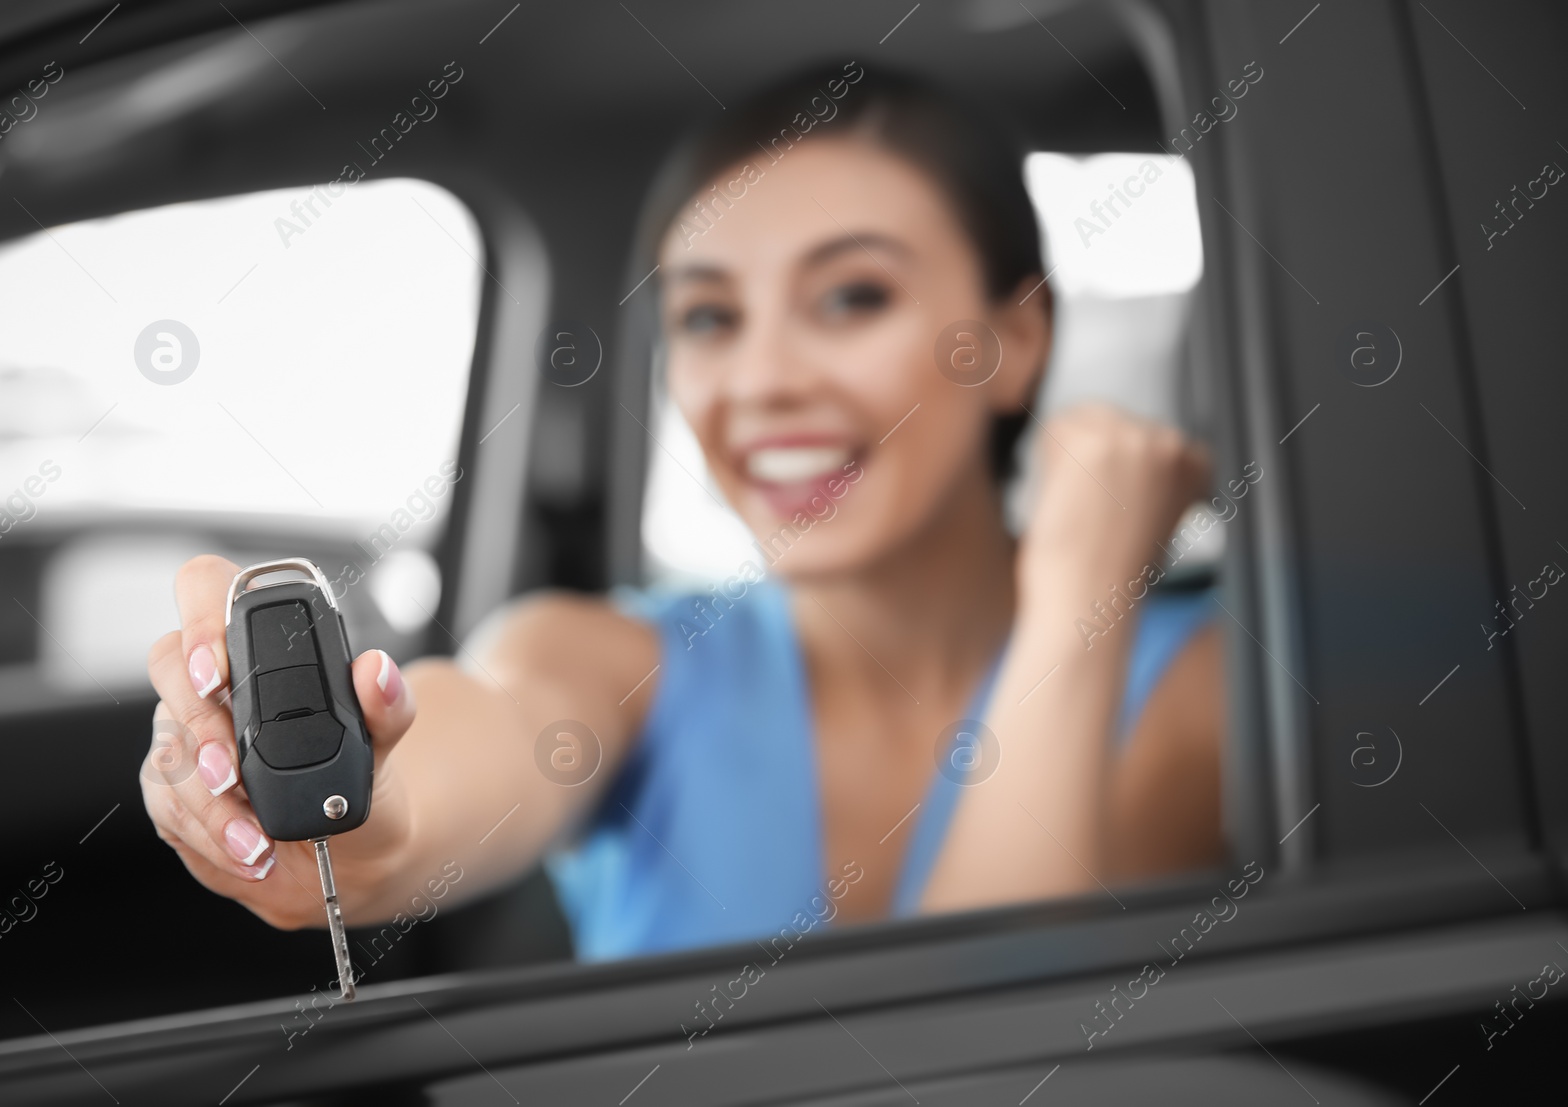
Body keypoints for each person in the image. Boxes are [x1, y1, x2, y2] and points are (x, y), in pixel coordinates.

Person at [141, 63, 1222, 963]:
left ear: (1014, 342)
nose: (760, 382)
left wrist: (1085, 593)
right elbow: (443, 779)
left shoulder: (1208, 689)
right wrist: (336, 824)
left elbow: (992, 1051)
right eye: (709, 317)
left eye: (851, 297)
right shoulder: (609, 659)